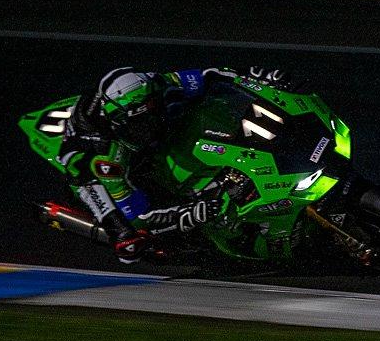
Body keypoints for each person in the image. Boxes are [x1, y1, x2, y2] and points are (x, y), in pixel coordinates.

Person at [56, 65, 296, 264]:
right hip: (83, 164)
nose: (145, 129)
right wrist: (187, 214)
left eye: (147, 119)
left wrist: (257, 77)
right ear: (118, 123)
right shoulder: (107, 153)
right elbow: (137, 215)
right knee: (127, 238)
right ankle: (115, 229)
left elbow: (210, 76)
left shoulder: (159, 83)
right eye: (137, 125)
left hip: (124, 113)